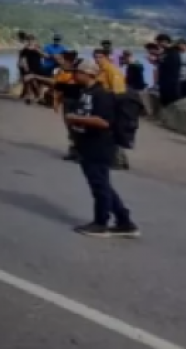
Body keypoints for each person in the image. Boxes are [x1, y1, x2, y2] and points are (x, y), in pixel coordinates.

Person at [66, 59, 139, 238]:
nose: (75, 75)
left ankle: (101, 223)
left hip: (99, 145)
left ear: (88, 74)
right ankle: (124, 221)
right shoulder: (86, 92)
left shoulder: (102, 94)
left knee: (99, 186)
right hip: (86, 144)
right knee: (103, 184)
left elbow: (103, 121)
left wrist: (76, 119)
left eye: (78, 72)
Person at [154, 34, 183, 108]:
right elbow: (160, 63)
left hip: (171, 81)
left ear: (165, 41)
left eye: (159, 42)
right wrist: (157, 60)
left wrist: (161, 60)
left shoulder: (174, 52)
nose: (158, 44)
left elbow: (173, 65)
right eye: (157, 42)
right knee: (164, 101)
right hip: (163, 81)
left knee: (173, 101)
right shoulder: (165, 52)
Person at [18, 36, 48, 104]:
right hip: (30, 68)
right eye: (29, 40)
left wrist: (37, 50)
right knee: (29, 81)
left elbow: (46, 56)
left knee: (41, 82)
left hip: (38, 67)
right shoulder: (25, 50)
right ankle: (30, 97)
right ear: (28, 41)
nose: (31, 42)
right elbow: (23, 59)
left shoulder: (38, 48)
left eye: (32, 40)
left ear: (35, 41)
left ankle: (40, 97)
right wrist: (26, 68)